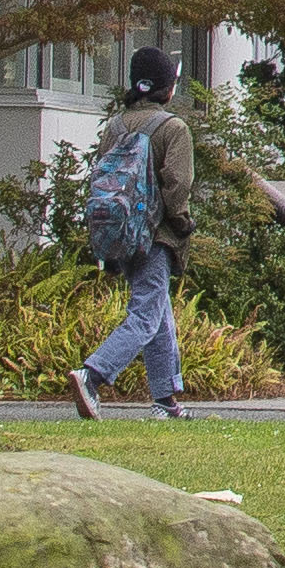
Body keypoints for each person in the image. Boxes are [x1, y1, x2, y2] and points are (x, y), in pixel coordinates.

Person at [69, 49, 201, 421]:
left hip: (120, 235)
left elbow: (101, 181)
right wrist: (181, 222)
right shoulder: (173, 128)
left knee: (157, 311)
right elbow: (178, 184)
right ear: (167, 88)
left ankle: (165, 400)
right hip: (155, 236)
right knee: (145, 314)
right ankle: (91, 375)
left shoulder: (116, 126)